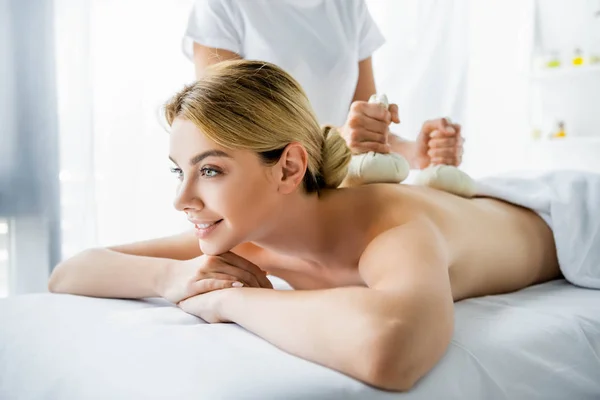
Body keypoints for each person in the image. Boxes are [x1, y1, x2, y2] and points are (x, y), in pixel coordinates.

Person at [49, 60, 575, 392]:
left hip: (569, 217)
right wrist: (172, 280)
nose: (182, 199)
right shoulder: (249, 236)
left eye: (210, 170)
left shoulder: (393, 228)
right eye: (179, 170)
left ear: (289, 167)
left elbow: (394, 349)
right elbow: (72, 272)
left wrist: (226, 301)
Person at [183, 0, 464, 170]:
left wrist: (416, 153)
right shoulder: (222, 5)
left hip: (332, 197)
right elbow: (225, 128)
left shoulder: (348, 6)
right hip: (257, 203)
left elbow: (363, 131)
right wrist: (336, 140)